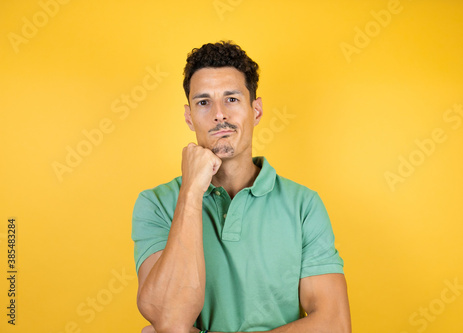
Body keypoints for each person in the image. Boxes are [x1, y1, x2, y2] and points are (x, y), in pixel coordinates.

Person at [131, 41, 351, 333]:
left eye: (232, 99)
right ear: (189, 116)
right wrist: (191, 193)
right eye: (204, 102)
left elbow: (334, 324)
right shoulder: (156, 203)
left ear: (256, 111)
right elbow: (170, 318)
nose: (219, 114)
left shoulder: (304, 205)